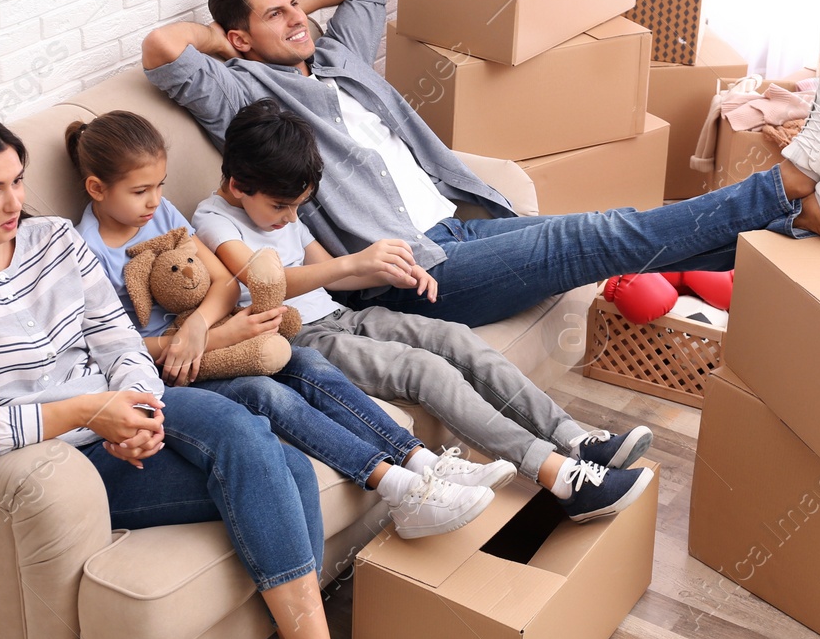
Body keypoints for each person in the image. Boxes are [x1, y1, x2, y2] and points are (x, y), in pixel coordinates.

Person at [0, 110, 342, 639]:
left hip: (127, 416)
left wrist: (141, 410)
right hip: (69, 463)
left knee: (270, 454)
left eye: (18, 181)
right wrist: (87, 412)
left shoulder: (53, 239)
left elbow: (117, 339)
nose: (13, 203)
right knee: (270, 460)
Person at [141, 0, 820, 328]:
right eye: (275, 16)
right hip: (413, 269)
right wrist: (226, 43)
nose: (298, 17)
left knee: (629, 241)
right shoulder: (247, 90)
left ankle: (810, 224)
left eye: (296, 4)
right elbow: (162, 48)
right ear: (240, 39)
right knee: (610, 230)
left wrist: (291, 6)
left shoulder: (335, 57)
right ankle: (790, 184)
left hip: (469, 222)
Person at [193, 99, 656, 523]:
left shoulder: (277, 210)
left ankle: (576, 441)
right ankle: (557, 476)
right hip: (298, 338)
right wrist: (352, 261)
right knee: (423, 369)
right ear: (237, 185)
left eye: (297, 207)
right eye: (281, 207)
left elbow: (330, 274)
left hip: (338, 316)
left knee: (453, 337)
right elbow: (263, 282)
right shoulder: (211, 221)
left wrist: (388, 270)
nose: (291, 218)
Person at [65, 109, 508, 540]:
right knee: (265, 393)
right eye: (141, 190)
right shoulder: (83, 253)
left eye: (160, 185)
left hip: (210, 335)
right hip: (171, 369)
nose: (156, 200)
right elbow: (114, 347)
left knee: (308, 362)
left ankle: (421, 461)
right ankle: (400, 489)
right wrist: (208, 336)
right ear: (96, 188)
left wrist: (200, 324)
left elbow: (223, 280)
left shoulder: (160, 217)